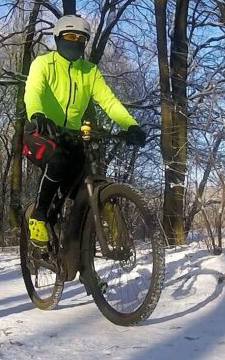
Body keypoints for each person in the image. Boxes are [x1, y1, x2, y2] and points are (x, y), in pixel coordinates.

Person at [23, 14, 146, 247]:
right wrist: (38, 116)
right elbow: (33, 92)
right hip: (41, 132)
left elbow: (109, 102)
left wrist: (130, 125)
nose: (75, 42)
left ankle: (86, 242)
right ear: (58, 38)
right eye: (70, 36)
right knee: (58, 161)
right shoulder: (43, 64)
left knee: (84, 178)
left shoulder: (89, 72)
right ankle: (38, 217)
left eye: (81, 39)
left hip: (72, 136)